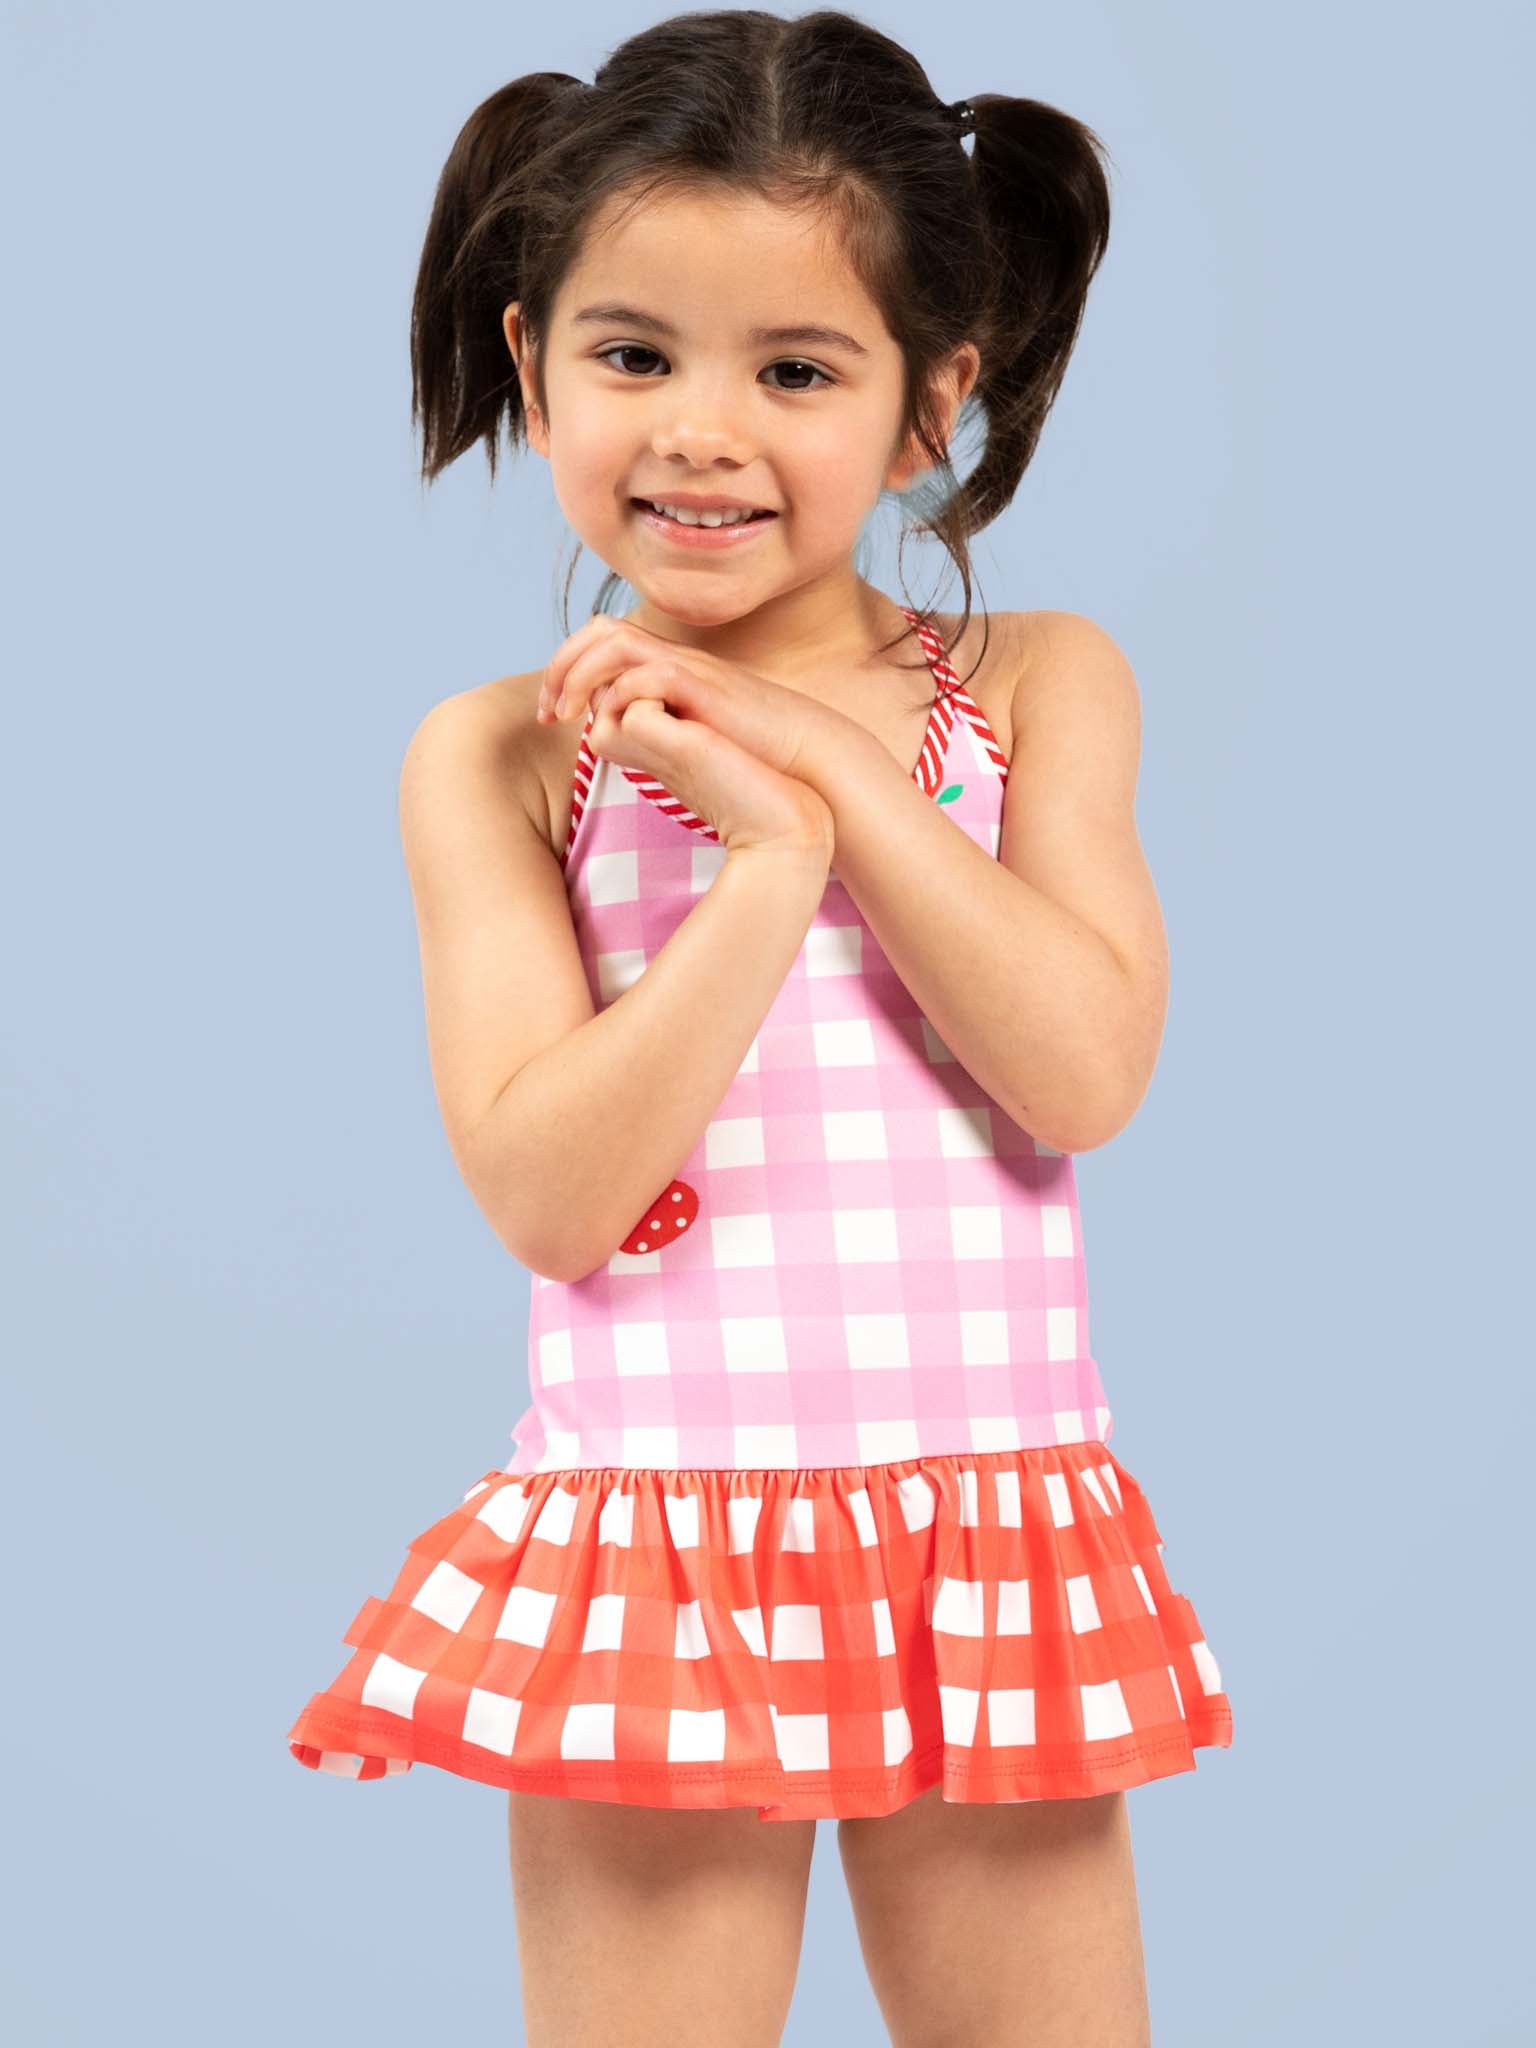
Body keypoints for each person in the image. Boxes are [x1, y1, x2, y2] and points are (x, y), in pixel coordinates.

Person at [286, 10, 1233, 2041]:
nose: (702, 430)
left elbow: (1083, 1070)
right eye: (635, 355)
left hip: (990, 1536)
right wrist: (758, 876)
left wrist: (832, 781)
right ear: (534, 362)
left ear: (925, 410)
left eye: (795, 370)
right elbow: (550, 1189)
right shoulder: (501, 760)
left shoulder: (1037, 684)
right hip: (664, 1553)